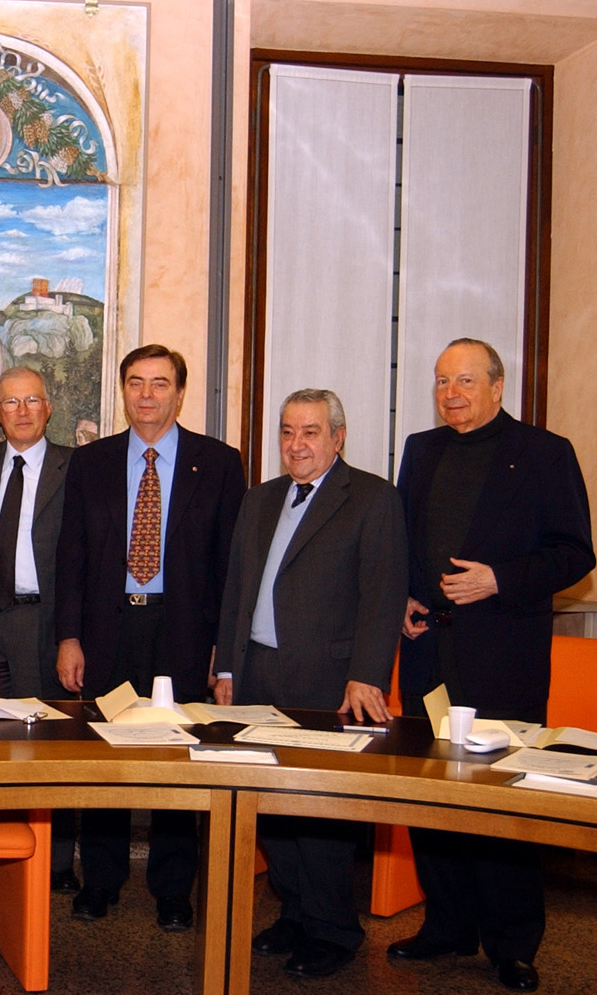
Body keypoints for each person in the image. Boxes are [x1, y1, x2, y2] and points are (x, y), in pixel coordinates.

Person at [388, 338, 594, 993]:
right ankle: (446, 925)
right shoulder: (421, 449)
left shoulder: (545, 453)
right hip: (429, 656)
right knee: (431, 795)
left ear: (498, 387)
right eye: (442, 381)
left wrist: (499, 579)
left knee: (504, 802)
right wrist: (405, 597)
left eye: (466, 381)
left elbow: (575, 553)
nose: (451, 393)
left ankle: (512, 944)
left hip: (503, 659)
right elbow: (403, 542)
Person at [217, 388, 407, 978]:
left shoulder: (372, 498)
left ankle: (334, 930)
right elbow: (236, 588)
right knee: (272, 808)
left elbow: (383, 594)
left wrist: (367, 676)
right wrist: (226, 667)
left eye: (310, 432)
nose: (296, 444)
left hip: (328, 681)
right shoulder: (259, 498)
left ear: (337, 437)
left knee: (320, 811)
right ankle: (295, 913)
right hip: (257, 675)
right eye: (287, 431)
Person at [55, 343, 245, 928]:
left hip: (182, 631)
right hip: (108, 631)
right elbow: (71, 557)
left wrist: (223, 649)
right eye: (136, 382)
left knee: (177, 759)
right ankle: (101, 879)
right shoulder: (92, 462)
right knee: (105, 757)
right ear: (123, 391)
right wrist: (68, 637)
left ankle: (173, 889)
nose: (146, 395)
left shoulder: (219, 463)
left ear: (180, 394)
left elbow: (231, 567)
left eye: (160, 383)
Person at [0, 366, 78, 892]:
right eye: (10, 402)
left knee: (48, 741)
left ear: (48, 408)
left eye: (31, 401)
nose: (22, 411)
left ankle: (56, 862)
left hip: (40, 620)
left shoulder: (75, 467)